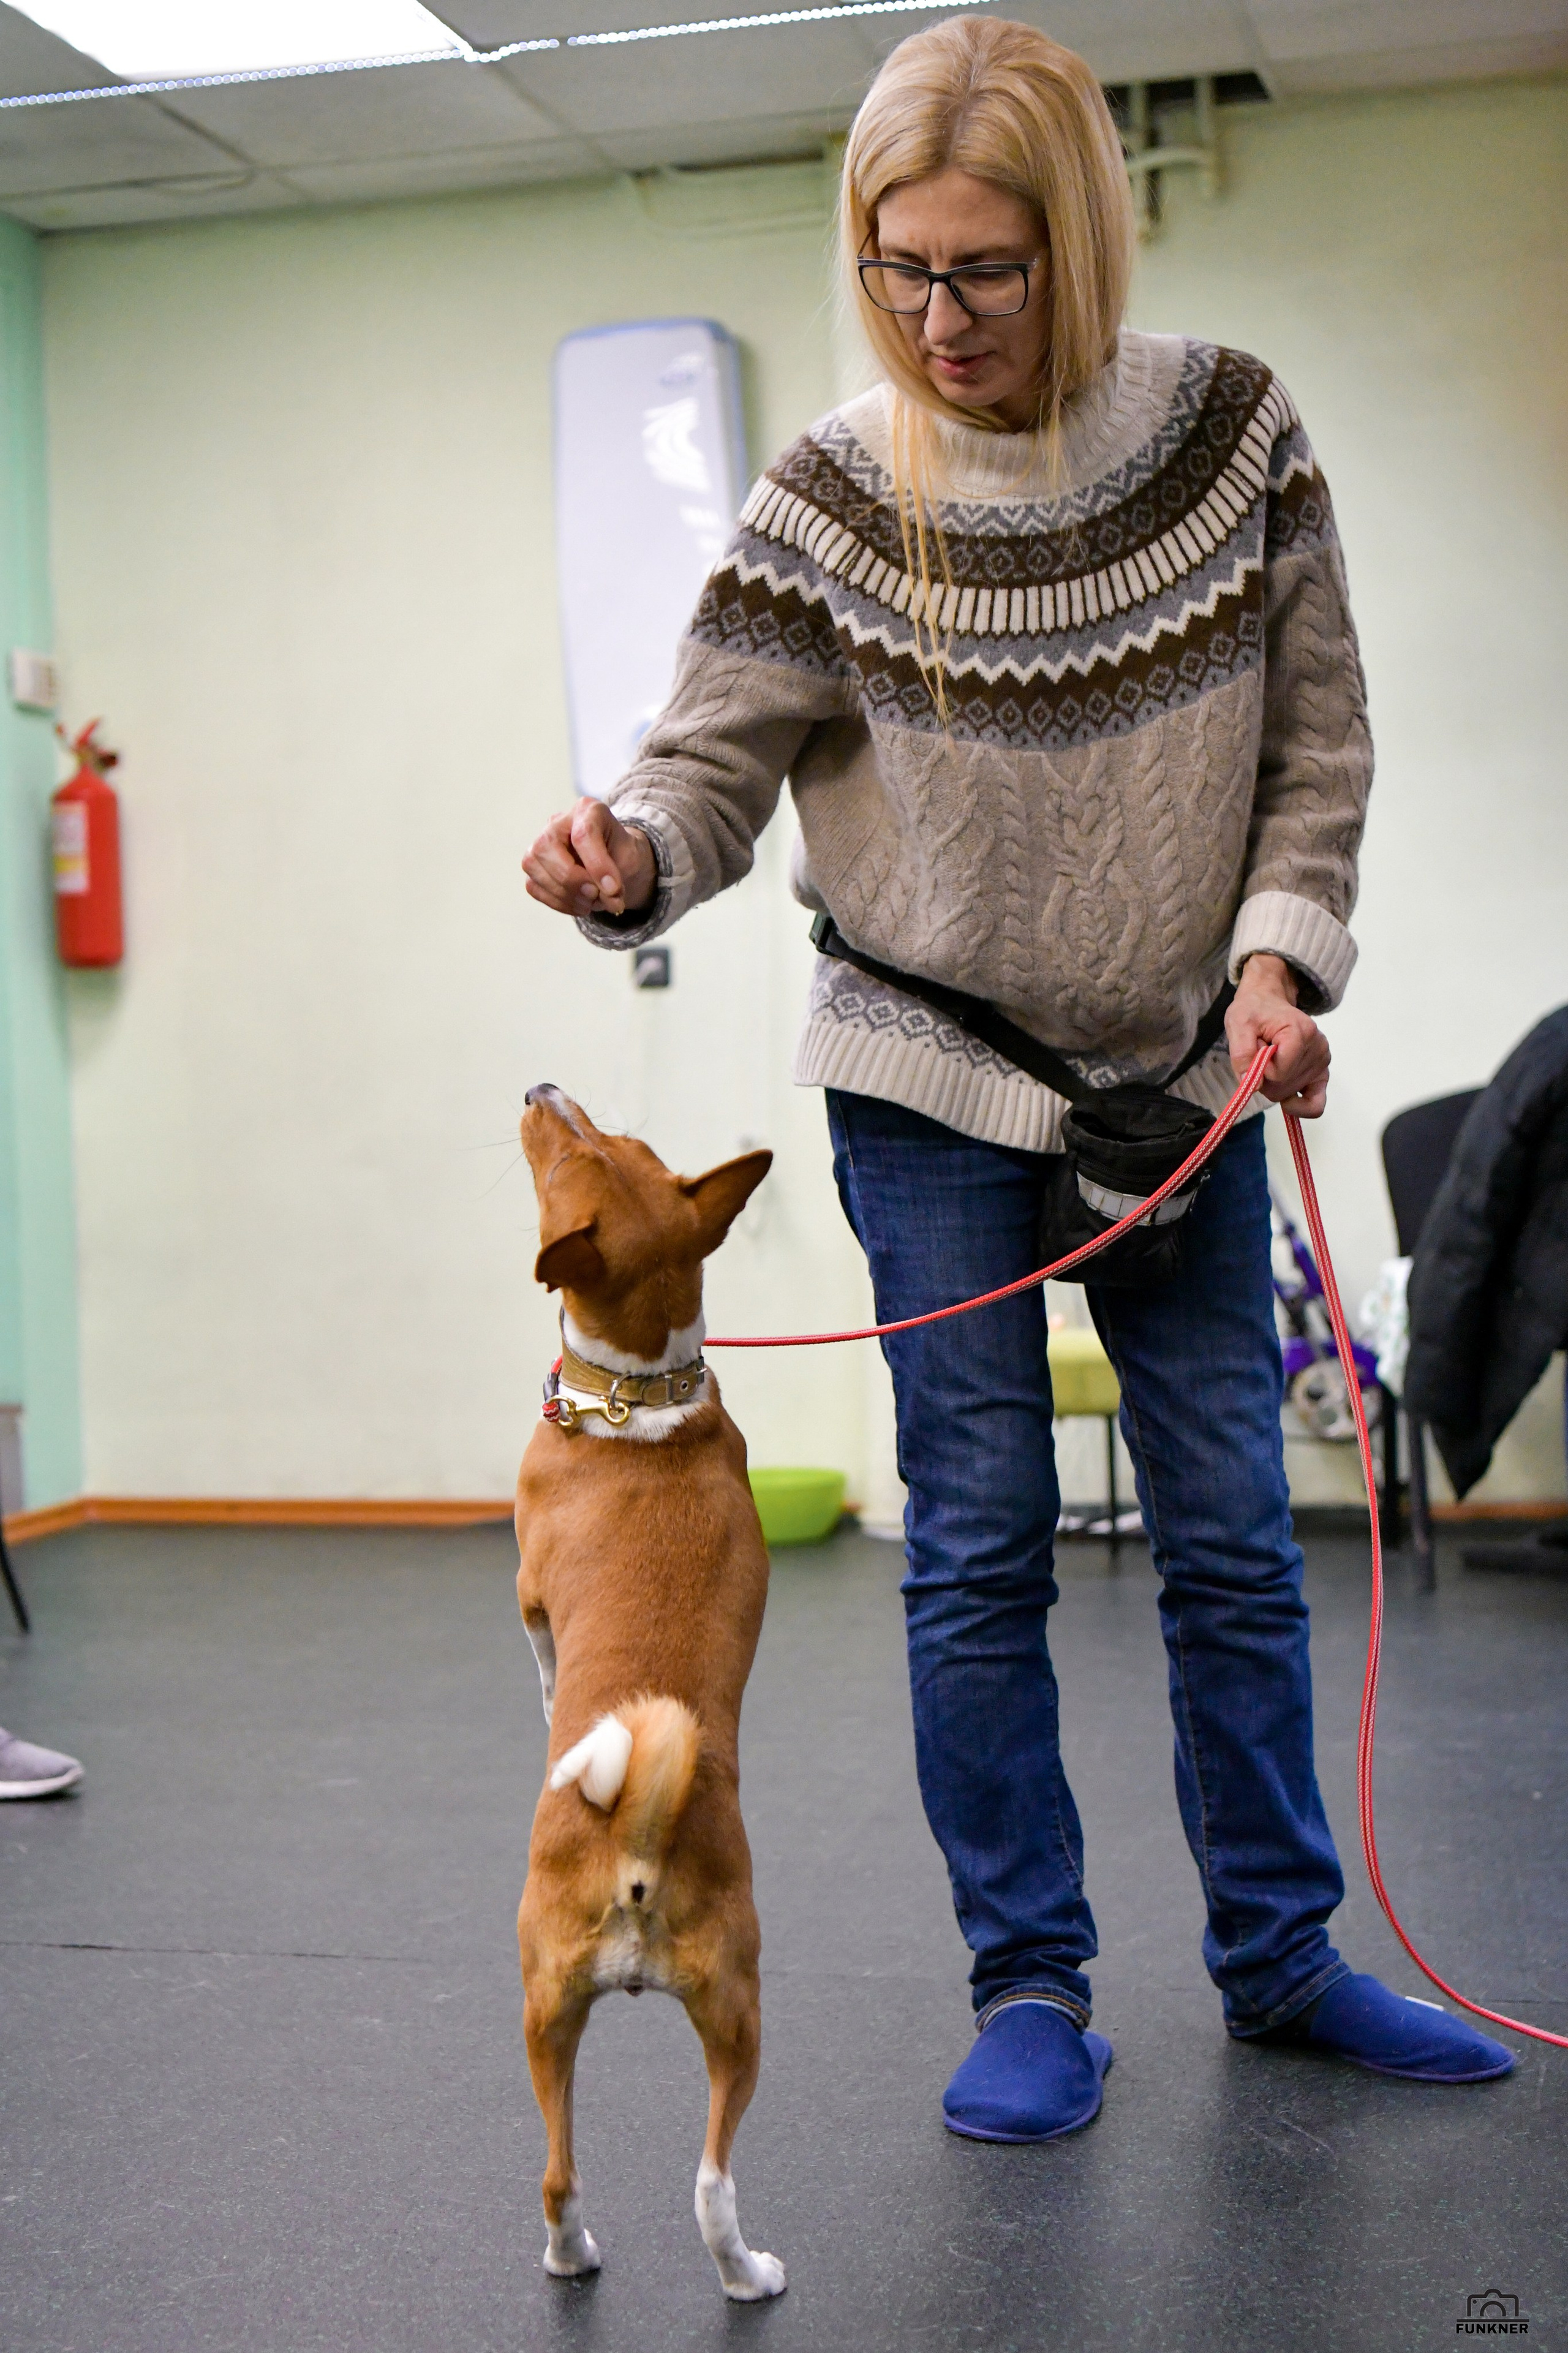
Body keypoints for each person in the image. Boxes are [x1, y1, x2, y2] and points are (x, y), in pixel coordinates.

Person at [524, 17, 1514, 2134]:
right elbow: (706, 770)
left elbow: (1317, 753)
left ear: (1084, 240)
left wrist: (1274, 965)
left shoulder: (1234, 437)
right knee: (974, 1543)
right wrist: (628, 859)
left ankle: (1280, 1957)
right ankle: (1033, 1985)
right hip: (926, 1074)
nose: (941, 317)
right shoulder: (828, 494)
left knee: (1238, 1535)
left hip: (1183, 1074)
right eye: (899, 271)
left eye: (989, 269)